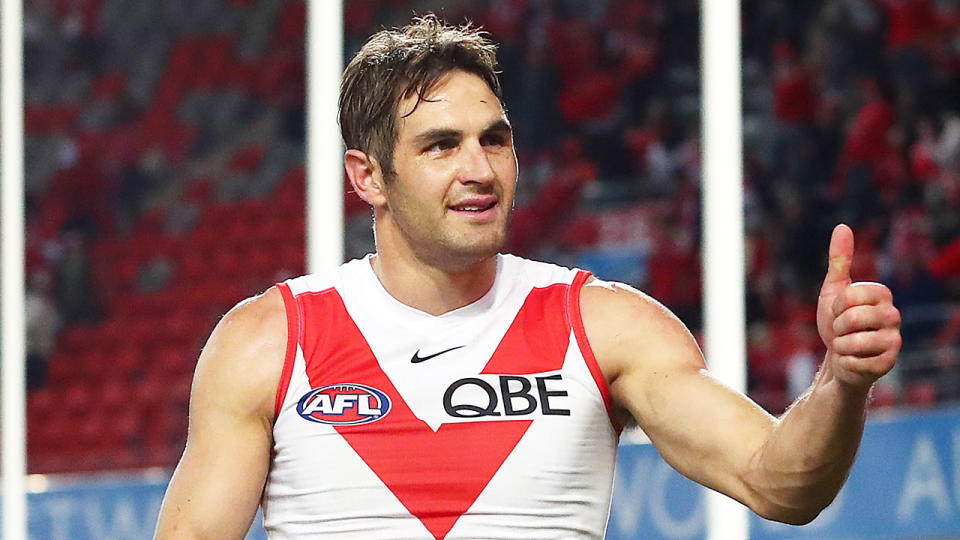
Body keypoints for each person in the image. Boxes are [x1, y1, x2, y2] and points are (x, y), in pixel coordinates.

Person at [154, 16, 902, 540]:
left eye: (495, 140)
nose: (478, 170)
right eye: (441, 146)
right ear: (369, 177)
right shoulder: (267, 344)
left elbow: (781, 483)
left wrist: (842, 384)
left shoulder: (605, 327)